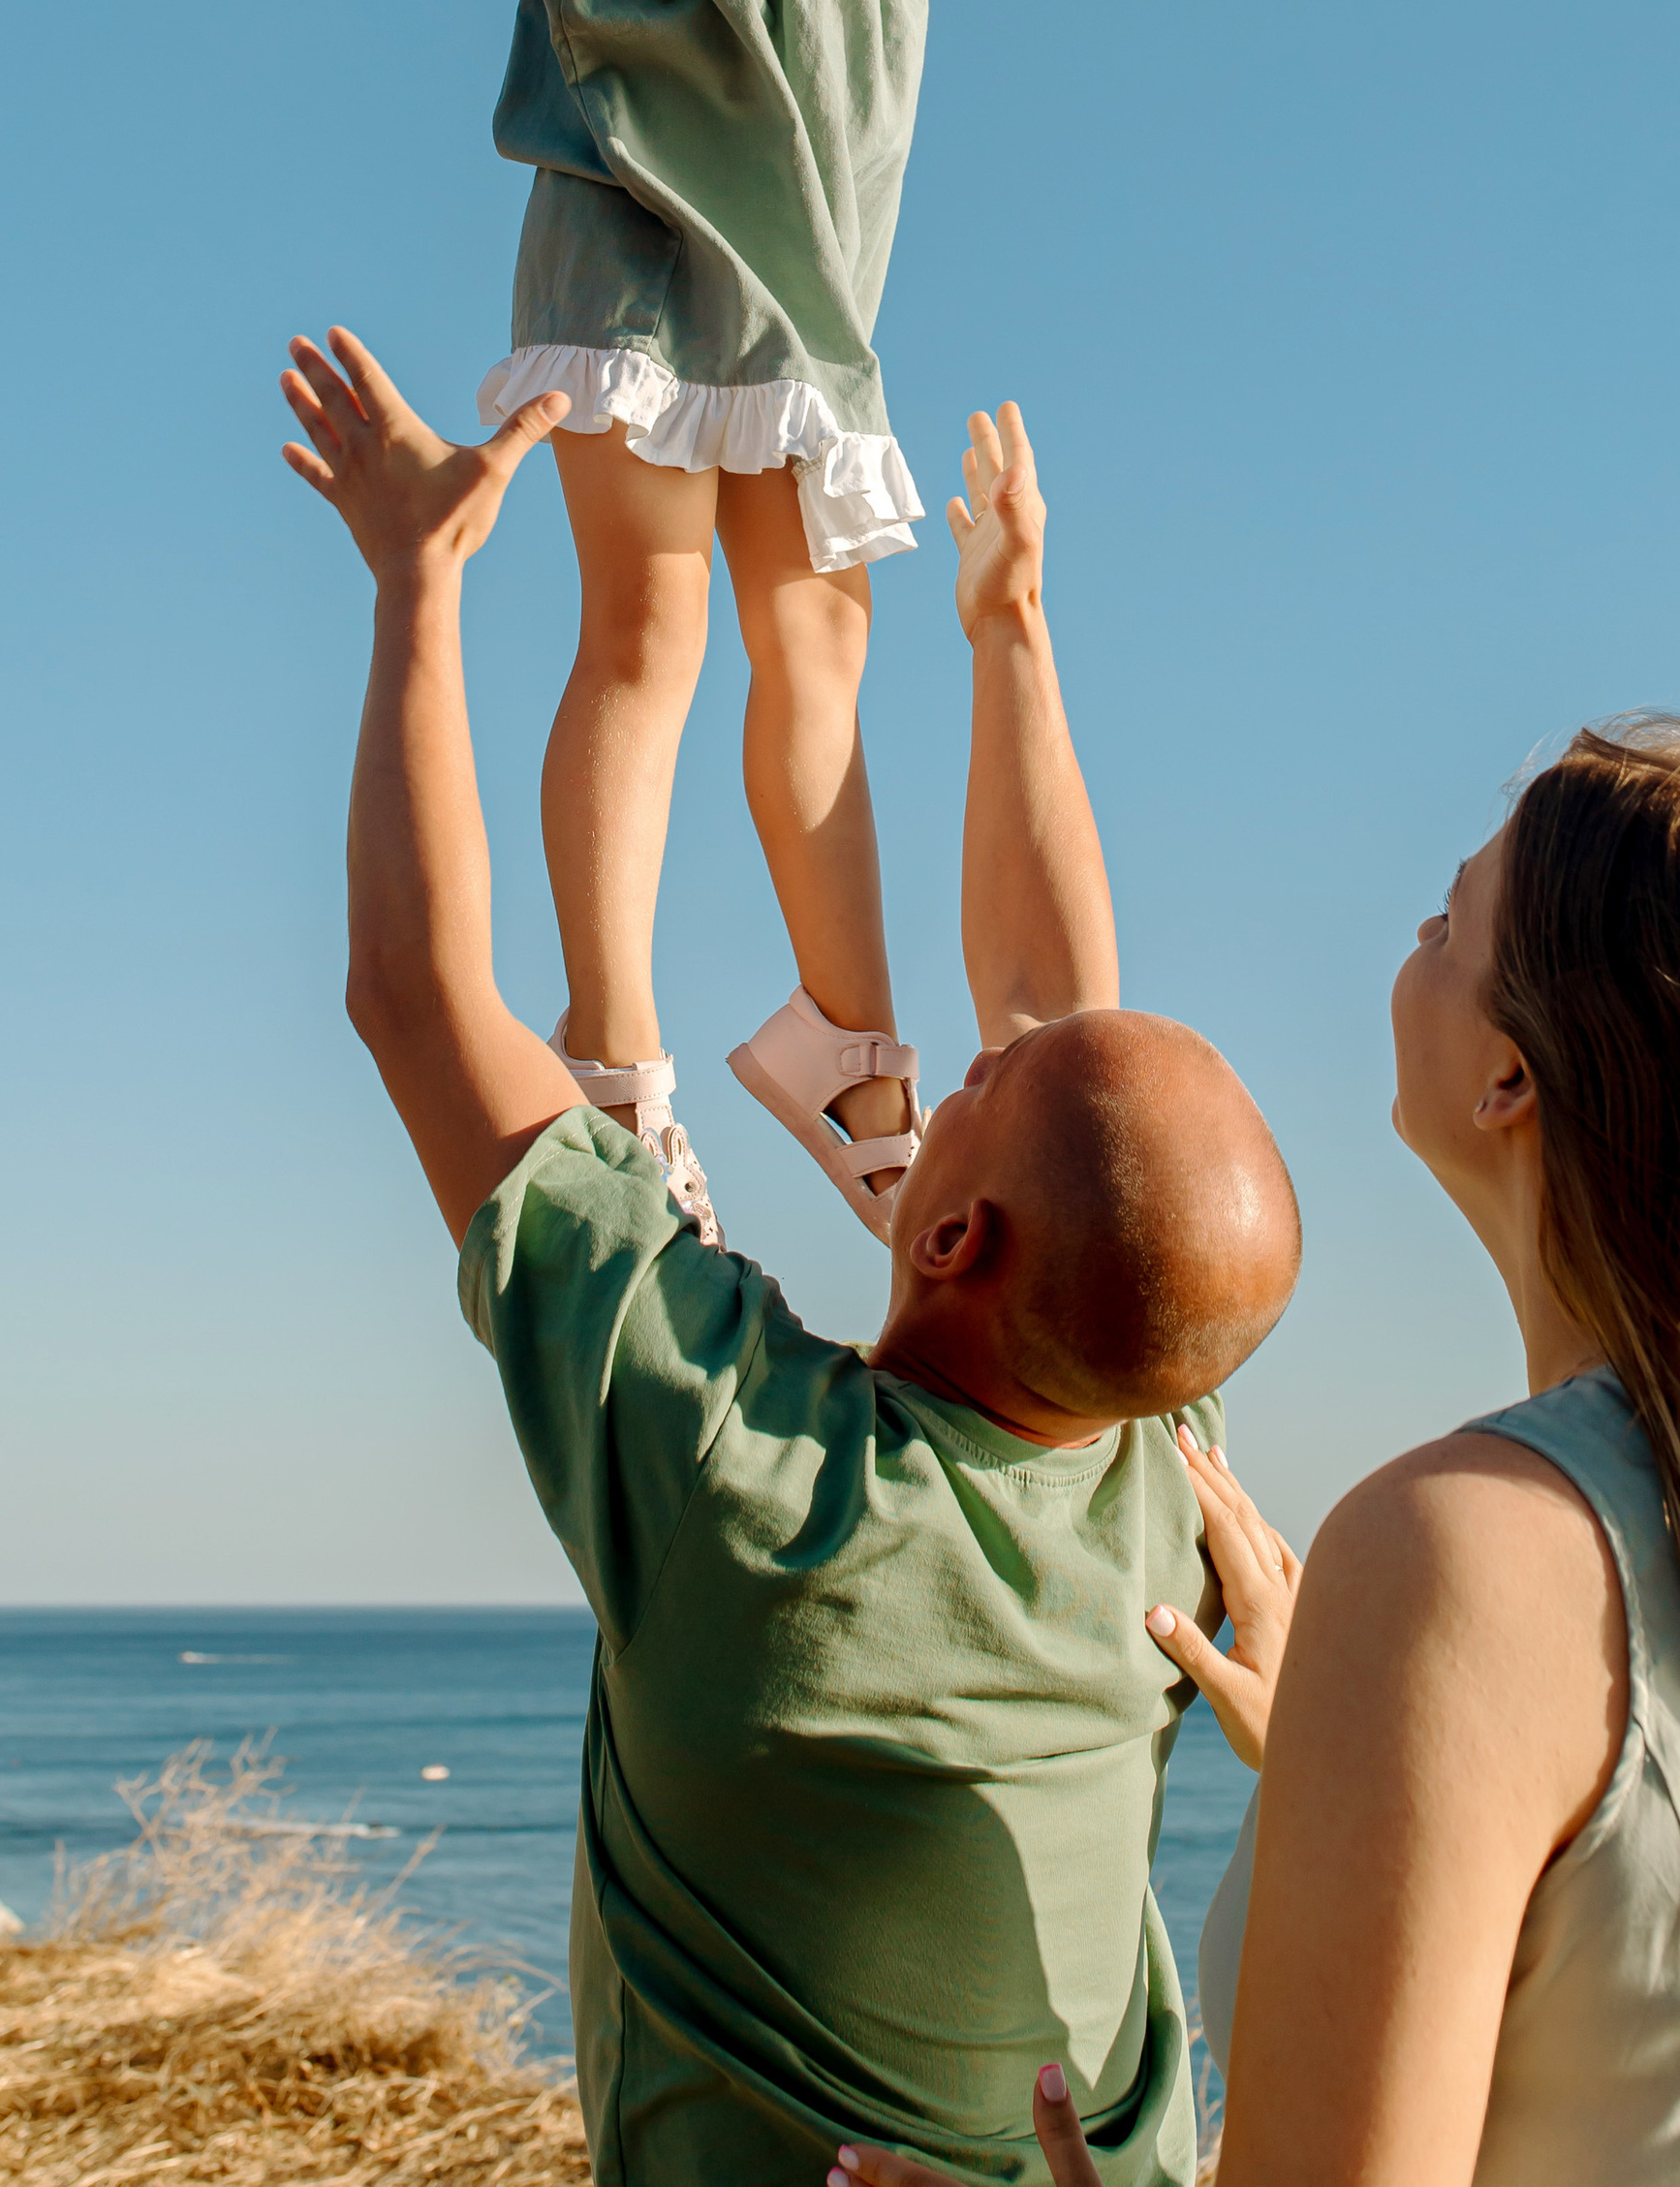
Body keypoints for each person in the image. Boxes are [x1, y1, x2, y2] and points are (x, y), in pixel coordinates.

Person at [277, 328, 1303, 2187]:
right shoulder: (1163, 1479)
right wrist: (1008, 634)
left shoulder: (739, 1481)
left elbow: (418, 995)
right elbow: (1065, 1025)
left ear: (957, 1235)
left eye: (971, 1087)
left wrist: (419, 580)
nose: (964, 1055)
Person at [845, 723, 1680, 2187]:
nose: (1415, 937)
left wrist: (1404, 1671)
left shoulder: (1463, 1553)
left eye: (1450, 919)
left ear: (1511, 1074)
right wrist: (1348, 1739)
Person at [469, 0, 1370, 1243]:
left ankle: (845, 1040)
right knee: (649, 627)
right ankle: (610, 1046)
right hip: (639, 220)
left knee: (823, 649)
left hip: (810, 278)